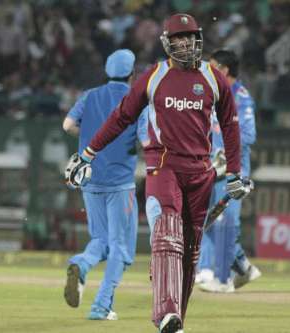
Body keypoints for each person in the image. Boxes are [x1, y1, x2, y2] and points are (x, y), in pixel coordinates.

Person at [65, 14, 248, 333]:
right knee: (166, 234)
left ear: (198, 39)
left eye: (190, 37)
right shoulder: (154, 76)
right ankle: (165, 312)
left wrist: (234, 173)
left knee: (190, 253)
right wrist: (88, 153)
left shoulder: (213, 78)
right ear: (168, 42)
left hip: (201, 173)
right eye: (179, 38)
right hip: (164, 166)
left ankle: (175, 319)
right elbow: (121, 118)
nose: (186, 43)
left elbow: (231, 128)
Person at [62, 49, 149, 321]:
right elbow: (147, 141)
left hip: (90, 180)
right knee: (121, 248)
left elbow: (67, 125)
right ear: (132, 74)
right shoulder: (136, 100)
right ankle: (101, 305)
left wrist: (88, 138)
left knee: (100, 239)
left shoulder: (89, 96)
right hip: (120, 183)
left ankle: (80, 263)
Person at [197, 50, 261, 293]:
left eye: (212, 67)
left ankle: (220, 278)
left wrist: (223, 151)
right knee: (208, 219)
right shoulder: (211, 94)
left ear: (224, 70)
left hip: (233, 168)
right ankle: (241, 268)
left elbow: (248, 134)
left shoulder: (241, 97)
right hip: (213, 167)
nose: (207, 72)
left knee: (224, 221)